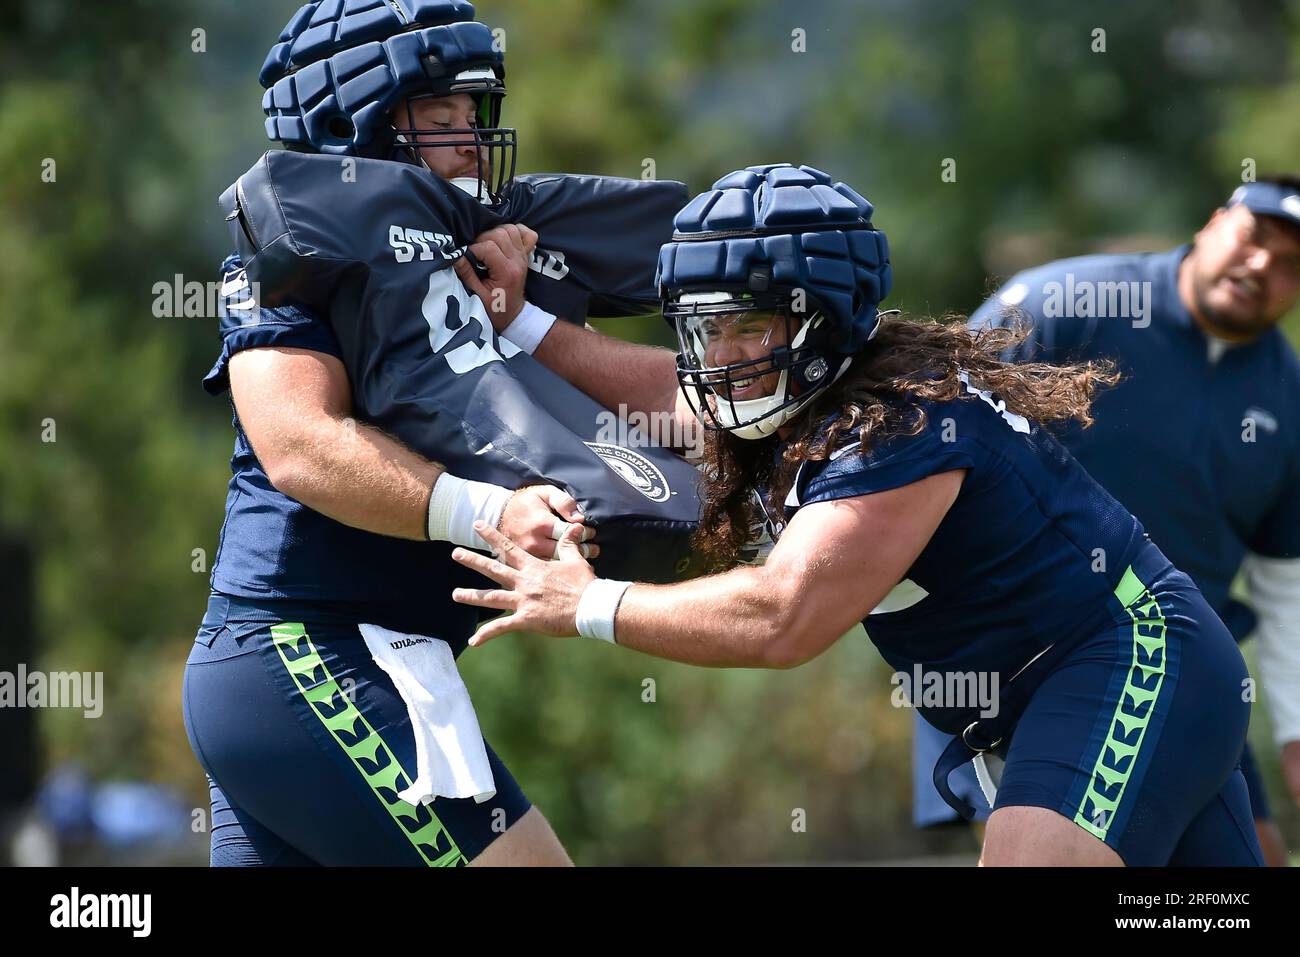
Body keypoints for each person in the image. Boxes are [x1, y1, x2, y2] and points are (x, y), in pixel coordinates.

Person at [449, 163, 1265, 865]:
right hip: (1079, 684)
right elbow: (672, 391)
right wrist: (521, 321)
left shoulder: (899, 426)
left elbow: (781, 616)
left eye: (748, 326)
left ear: (824, 320)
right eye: (705, 331)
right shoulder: (818, 386)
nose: (722, 360)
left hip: (1123, 662)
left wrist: (583, 602)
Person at [183, 1, 587, 867]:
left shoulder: (465, 260)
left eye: (473, 114)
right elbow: (298, 445)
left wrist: (519, 324)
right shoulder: (284, 251)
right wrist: (489, 513)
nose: (471, 139)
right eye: (440, 117)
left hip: (330, 666)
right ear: (352, 127)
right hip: (304, 651)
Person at [909, 176, 1300, 864]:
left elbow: (1286, 580)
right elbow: (925, 441)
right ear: (1213, 224)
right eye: (1254, 238)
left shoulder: (1289, 396)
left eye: (1292, 263)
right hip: (1028, 668)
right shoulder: (1064, 305)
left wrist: (1295, 734)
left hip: (1181, 669)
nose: (1263, 266)